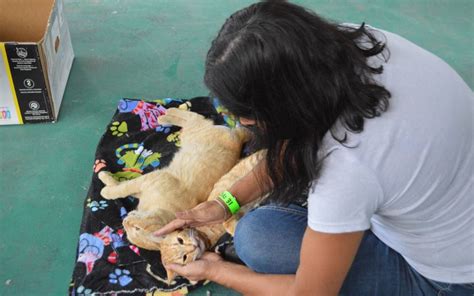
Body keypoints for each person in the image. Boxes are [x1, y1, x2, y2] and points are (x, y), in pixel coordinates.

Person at [154, 1, 473, 295]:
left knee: (258, 238)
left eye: (248, 119)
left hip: (448, 278)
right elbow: (300, 143)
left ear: (283, 110)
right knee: (267, 226)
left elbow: (310, 293)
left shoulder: (346, 170)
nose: (242, 124)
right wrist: (226, 203)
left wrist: (217, 269)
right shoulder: (353, 45)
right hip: (444, 211)